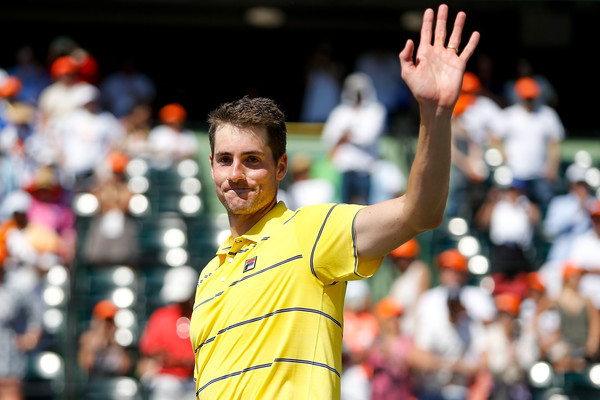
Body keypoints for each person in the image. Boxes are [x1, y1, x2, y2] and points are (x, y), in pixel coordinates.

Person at [189, 5, 480, 399]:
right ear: (211, 166)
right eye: (225, 159)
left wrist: (436, 113)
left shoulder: (309, 232)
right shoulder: (208, 275)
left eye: (253, 160)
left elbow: (420, 210)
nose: (235, 173)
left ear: (281, 168)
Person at [489, 76, 565, 211]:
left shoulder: (547, 114)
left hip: (540, 172)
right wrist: (504, 156)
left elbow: (555, 143)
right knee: (513, 207)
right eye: (526, 97)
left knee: (544, 205)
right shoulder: (509, 115)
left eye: (531, 97)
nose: (529, 100)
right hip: (515, 172)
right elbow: (493, 137)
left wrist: (552, 166)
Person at [321, 71, 387, 205]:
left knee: (366, 208)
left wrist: (345, 136)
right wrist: (349, 135)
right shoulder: (340, 111)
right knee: (343, 208)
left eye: (360, 91)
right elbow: (328, 136)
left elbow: (368, 137)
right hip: (343, 169)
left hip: (366, 169)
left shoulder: (376, 110)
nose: (357, 94)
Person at [137, 266, 198, 400]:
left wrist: (182, 359)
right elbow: (150, 349)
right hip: (166, 380)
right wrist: (177, 358)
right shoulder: (161, 317)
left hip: (193, 381)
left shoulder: (199, 318)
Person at [366, 297, 417, 400]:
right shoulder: (373, 341)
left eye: (399, 317)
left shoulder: (406, 341)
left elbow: (415, 360)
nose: (396, 321)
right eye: (392, 317)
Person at [387, 238, 431, 336]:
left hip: (416, 331)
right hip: (402, 333)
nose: (400, 262)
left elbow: (421, 302)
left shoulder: (419, 270)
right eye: (397, 259)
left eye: (403, 258)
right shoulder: (398, 281)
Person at [147, 103, 199, 171]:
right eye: (172, 122)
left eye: (178, 121)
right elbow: (151, 151)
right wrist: (166, 153)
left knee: (190, 166)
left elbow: (192, 153)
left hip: (179, 168)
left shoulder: (187, 134)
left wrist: (177, 154)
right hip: (158, 168)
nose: (176, 124)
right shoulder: (158, 131)